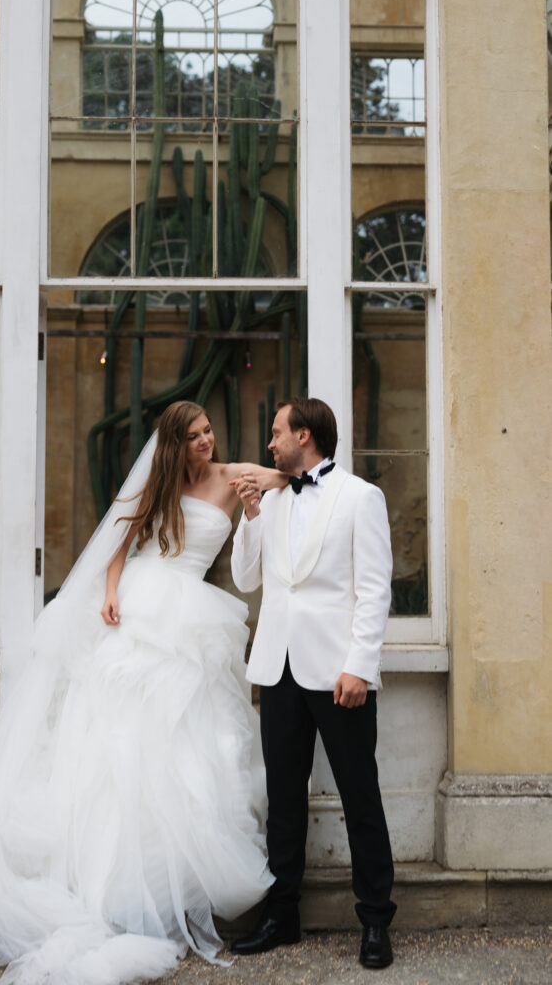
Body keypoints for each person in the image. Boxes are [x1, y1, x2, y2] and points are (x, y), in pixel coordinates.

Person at [0, 400, 285, 985]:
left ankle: (177, 879)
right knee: (121, 742)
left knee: (194, 741)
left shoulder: (233, 477)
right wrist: (109, 592)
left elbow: (289, 477)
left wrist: (267, 486)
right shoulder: (155, 486)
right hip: (139, 607)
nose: (207, 441)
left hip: (191, 616)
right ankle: (116, 884)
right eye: (197, 435)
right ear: (175, 444)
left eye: (210, 431)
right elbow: (120, 541)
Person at [229, 397, 396, 970]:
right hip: (277, 667)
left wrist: (360, 666)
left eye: (276, 433)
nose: (269, 443)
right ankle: (282, 914)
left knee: (359, 794)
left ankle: (375, 919)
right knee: (283, 799)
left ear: (304, 436)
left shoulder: (360, 498)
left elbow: (374, 591)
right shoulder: (271, 499)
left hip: (337, 674)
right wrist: (250, 515)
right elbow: (247, 578)